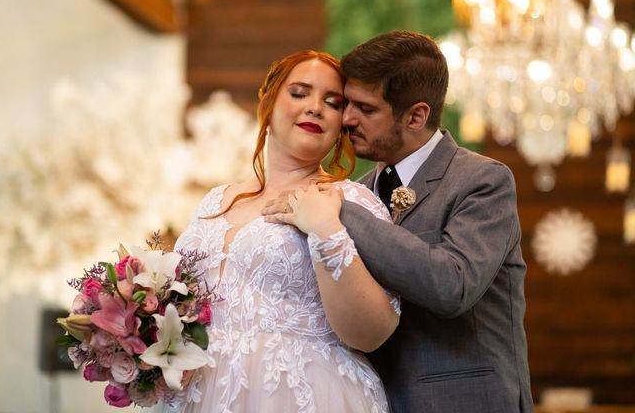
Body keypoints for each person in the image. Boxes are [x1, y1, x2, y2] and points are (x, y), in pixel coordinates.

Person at [264, 31, 533, 413]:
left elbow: (452, 285)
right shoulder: (361, 189)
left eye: (366, 109)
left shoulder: (483, 181)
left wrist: (340, 213)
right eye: (347, 103)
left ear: (416, 116)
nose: (347, 118)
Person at [170, 50, 400, 413]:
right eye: (299, 93)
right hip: (200, 394)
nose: (315, 107)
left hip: (303, 394)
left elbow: (373, 332)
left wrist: (325, 229)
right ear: (269, 102)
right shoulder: (215, 200)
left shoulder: (350, 202)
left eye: (332, 102)